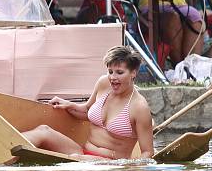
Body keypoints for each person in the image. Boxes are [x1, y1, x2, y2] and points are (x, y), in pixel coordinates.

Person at [21, 46, 154, 159]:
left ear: (133, 73)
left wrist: (127, 169)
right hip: (82, 153)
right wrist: (68, 105)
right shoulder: (103, 83)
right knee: (43, 131)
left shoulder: (139, 107)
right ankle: (4, 147)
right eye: (110, 71)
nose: (113, 78)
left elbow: (147, 153)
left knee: (76, 160)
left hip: (110, 165)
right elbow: (86, 111)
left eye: (119, 72)